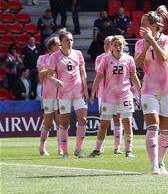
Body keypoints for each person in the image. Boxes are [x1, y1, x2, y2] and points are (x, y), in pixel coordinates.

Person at [134, 6, 168, 175]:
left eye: (144, 25)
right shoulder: (140, 43)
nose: (140, 28)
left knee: (166, 130)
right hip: (148, 89)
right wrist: (146, 45)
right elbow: (136, 64)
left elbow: (163, 57)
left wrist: (152, 41)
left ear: (153, 26)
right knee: (152, 126)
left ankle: (161, 162)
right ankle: (153, 165)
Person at [89, 35, 140, 158]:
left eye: (120, 45)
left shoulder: (129, 59)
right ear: (111, 46)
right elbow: (99, 77)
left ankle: (128, 150)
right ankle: (97, 149)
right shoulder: (105, 59)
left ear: (124, 46)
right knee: (103, 124)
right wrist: (92, 93)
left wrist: (140, 92)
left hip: (125, 95)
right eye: (115, 45)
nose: (118, 47)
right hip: (108, 96)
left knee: (127, 121)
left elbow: (133, 76)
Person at [50, 30, 88, 158]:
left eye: (71, 40)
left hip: (78, 92)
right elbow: (49, 75)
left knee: (83, 120)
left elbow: (83, 73)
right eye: (67, 40)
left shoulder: (78, 54)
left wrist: (86, 91)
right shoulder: (54, 57)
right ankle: (65, 151)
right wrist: (56, 80)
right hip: (64, 94)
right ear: (60, 42)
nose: (70, 42)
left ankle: (79, 149)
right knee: (64, 124)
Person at [37, 36, 62, 157]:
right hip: (47, 95)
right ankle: (41, 147)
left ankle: (60, 149)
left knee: (60, 123)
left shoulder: (62, 59)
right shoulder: (42, 58)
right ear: (52, 47)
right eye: (58, 44)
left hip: (60, 94)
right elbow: (41, 75)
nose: (60, 46)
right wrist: (51, 69)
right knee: (47, 123)